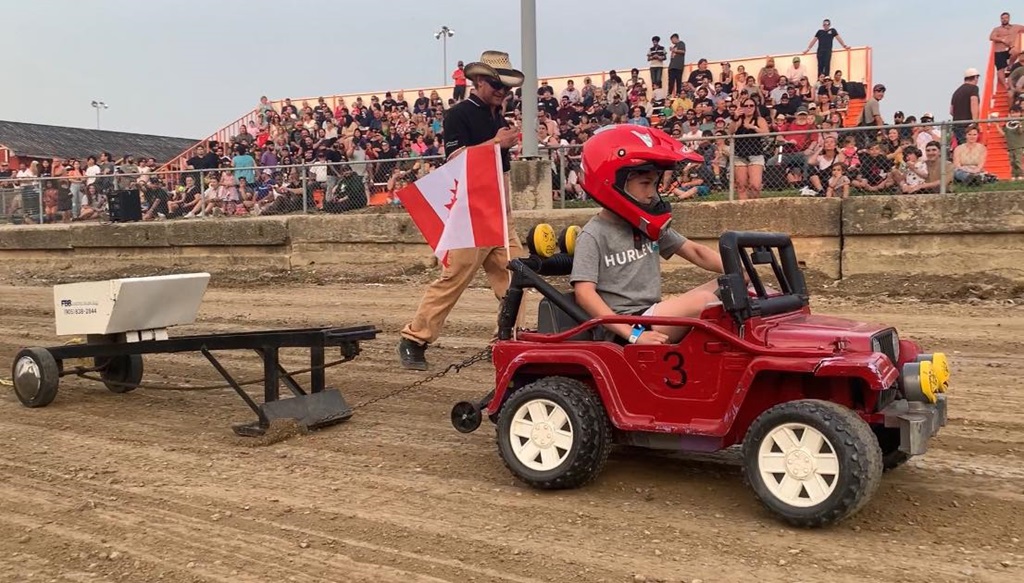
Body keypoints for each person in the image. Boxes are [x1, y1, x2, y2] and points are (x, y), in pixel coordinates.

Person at [398, 50, 527, 371]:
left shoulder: (497, 116)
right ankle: (414, 338)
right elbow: (455, 159)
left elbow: (498, 166)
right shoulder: (459, 114)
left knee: (520, 278)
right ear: (479, 81)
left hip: (499, 211)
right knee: (455, 277)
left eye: (506, 87)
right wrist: (497, 143)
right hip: (472, 213)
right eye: (497, 85)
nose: (503, 92)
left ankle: (507, 341)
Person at [569, 124, 736, 346]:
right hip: (627, 326)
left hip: (652, 314)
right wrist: (633, 334)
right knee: (704, 301)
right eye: (645, 184)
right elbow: (584, 294)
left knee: (736, 283)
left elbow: (696, 252)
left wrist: (739, 269)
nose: (652, 193)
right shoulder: (593, 234)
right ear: (612, 182)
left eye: (655, 184)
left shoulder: (646, 225)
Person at [990, 12, 1024, 90]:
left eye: (1006, 18)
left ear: (1009, 18)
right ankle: (1006, 86)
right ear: (1000, 19)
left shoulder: (1016, 27)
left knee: (1015, 51)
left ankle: (1010, 65)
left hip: (1010, 49)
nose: (1004, 19)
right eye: (1002, 18)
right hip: (999, 50)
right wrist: (1002, 39)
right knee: (1000, 69)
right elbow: (991, 37)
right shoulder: (997, 29)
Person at [950, 68, 981, 147]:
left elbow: (951, 111)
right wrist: (975, 123)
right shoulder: (973, 88)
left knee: (961, 147)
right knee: (969, 147)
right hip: (967, 125)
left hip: (956, 124)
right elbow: (974, 104)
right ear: (975, 77)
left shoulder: (956, 92)